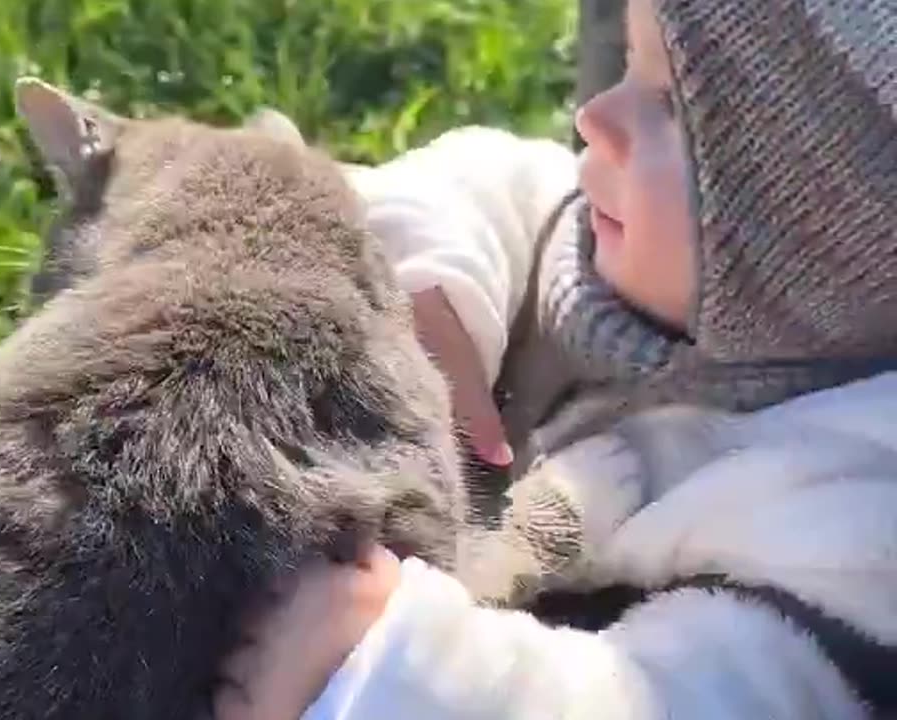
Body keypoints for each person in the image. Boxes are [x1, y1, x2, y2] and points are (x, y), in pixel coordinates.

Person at [213, 0, 897, 718]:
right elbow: (473, 181)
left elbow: (679, 702)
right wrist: (427, 288)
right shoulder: (580, 229)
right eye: (631, 64)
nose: (593, 117)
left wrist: (389, 666)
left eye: (670, 106)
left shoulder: (844, 522)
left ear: (822, 238)